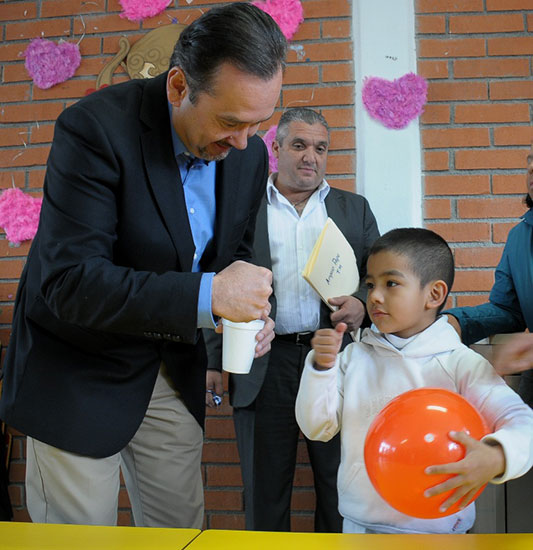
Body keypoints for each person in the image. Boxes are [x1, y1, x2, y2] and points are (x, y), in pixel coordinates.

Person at [0, 3, 287, 527]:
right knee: (78, 539)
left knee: (180, 529)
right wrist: (209, 297)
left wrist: (243, 315)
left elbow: (233, 261)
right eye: (230, 122)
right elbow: (68, 282)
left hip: (171, 371)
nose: (245, 143)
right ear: (178, 87)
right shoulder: (93, 130)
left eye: (259, 124)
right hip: (77, 368)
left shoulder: (247, 154)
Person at [204, 107, 380, 532]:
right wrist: (213, 359)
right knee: (265, 493)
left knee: (340, 490)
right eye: (299, 145)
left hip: (335, 362)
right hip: (266, 363)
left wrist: (363, 305)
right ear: (276, 148)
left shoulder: (353, 209)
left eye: (320, 148)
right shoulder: (243, 209)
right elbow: (215, 281)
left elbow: (381, 279)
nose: (310, 157)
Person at [296, 228, 533, 534]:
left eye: (391, 283)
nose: (375, 296)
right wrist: (320, 367)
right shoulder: (353, 358)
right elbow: (316, 426)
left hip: (443, 533)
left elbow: (523, 422)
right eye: (370, 284)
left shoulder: (460, 364)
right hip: (360, 528)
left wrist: (498, 454)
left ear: (434, 294)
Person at [445, 144, 533, 405]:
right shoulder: (519, 236)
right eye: (529, 162)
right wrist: (457, 320)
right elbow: (509, 310)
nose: (531, 169)